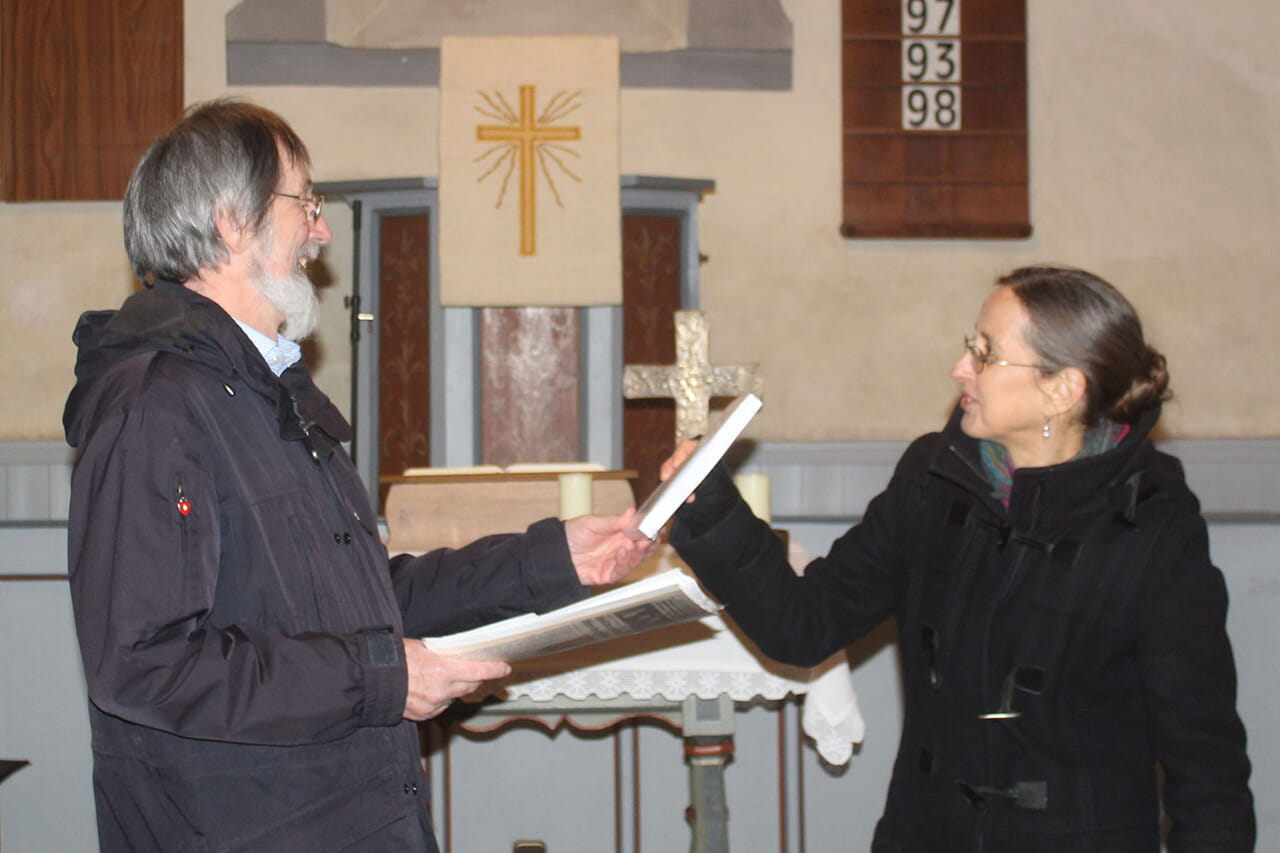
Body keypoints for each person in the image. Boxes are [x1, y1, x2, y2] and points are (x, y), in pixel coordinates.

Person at [62, 99, 654, 852]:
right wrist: (380, 678)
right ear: (229, 221)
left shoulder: (262, 390)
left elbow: (370, 601)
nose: (322, 228)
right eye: (304, 202)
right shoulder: (155, 402)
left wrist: (552, 560)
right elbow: (144, 661)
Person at [662, 266, 1255, 851]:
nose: (959, 369)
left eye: (987, 354)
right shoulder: (933, 479)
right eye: (969, 346)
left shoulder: (1153, 528)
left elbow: (1207, 769)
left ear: (1062, 388)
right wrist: (712, 511)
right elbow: (805, 623)